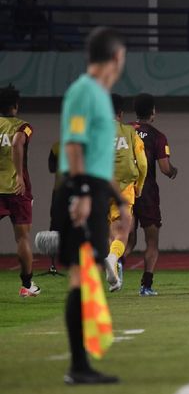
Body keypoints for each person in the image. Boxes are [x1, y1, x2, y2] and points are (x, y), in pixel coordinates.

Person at [56, 26, 129, 384]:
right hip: (80, 192)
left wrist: (118, 200)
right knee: (80, 278)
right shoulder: (83, 92)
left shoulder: (101, 95)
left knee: (90, 277)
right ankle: (78, 366)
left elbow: (98, 157)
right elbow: (73, 144)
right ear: (115, 57)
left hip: (96, 192)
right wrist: (83, 192)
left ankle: (83, 363)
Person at [123, 93, 178, 296]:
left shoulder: (124, 131)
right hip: (146, 192)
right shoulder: (157, 136)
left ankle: (118, 262)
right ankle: (146, 285)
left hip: (125, 190)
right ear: (152, 112)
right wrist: (174, 171)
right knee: (151, 241)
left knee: (128, 239)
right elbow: (164, 168)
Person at [103, 94, 147, 292]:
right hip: (124, 188)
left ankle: (114, 277)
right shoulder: (130, 132)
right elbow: (143, 163)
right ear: (120, 113)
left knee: (109, 232)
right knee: (122, 234)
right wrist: (140, 185)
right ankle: (112, 260)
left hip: (100, 188)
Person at [0, 84, 39, 297]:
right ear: (16, 105)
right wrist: (17, 175)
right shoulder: (24, 126)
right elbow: (16, 143)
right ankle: (26, 285)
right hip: (17, 188)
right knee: (22, 238)